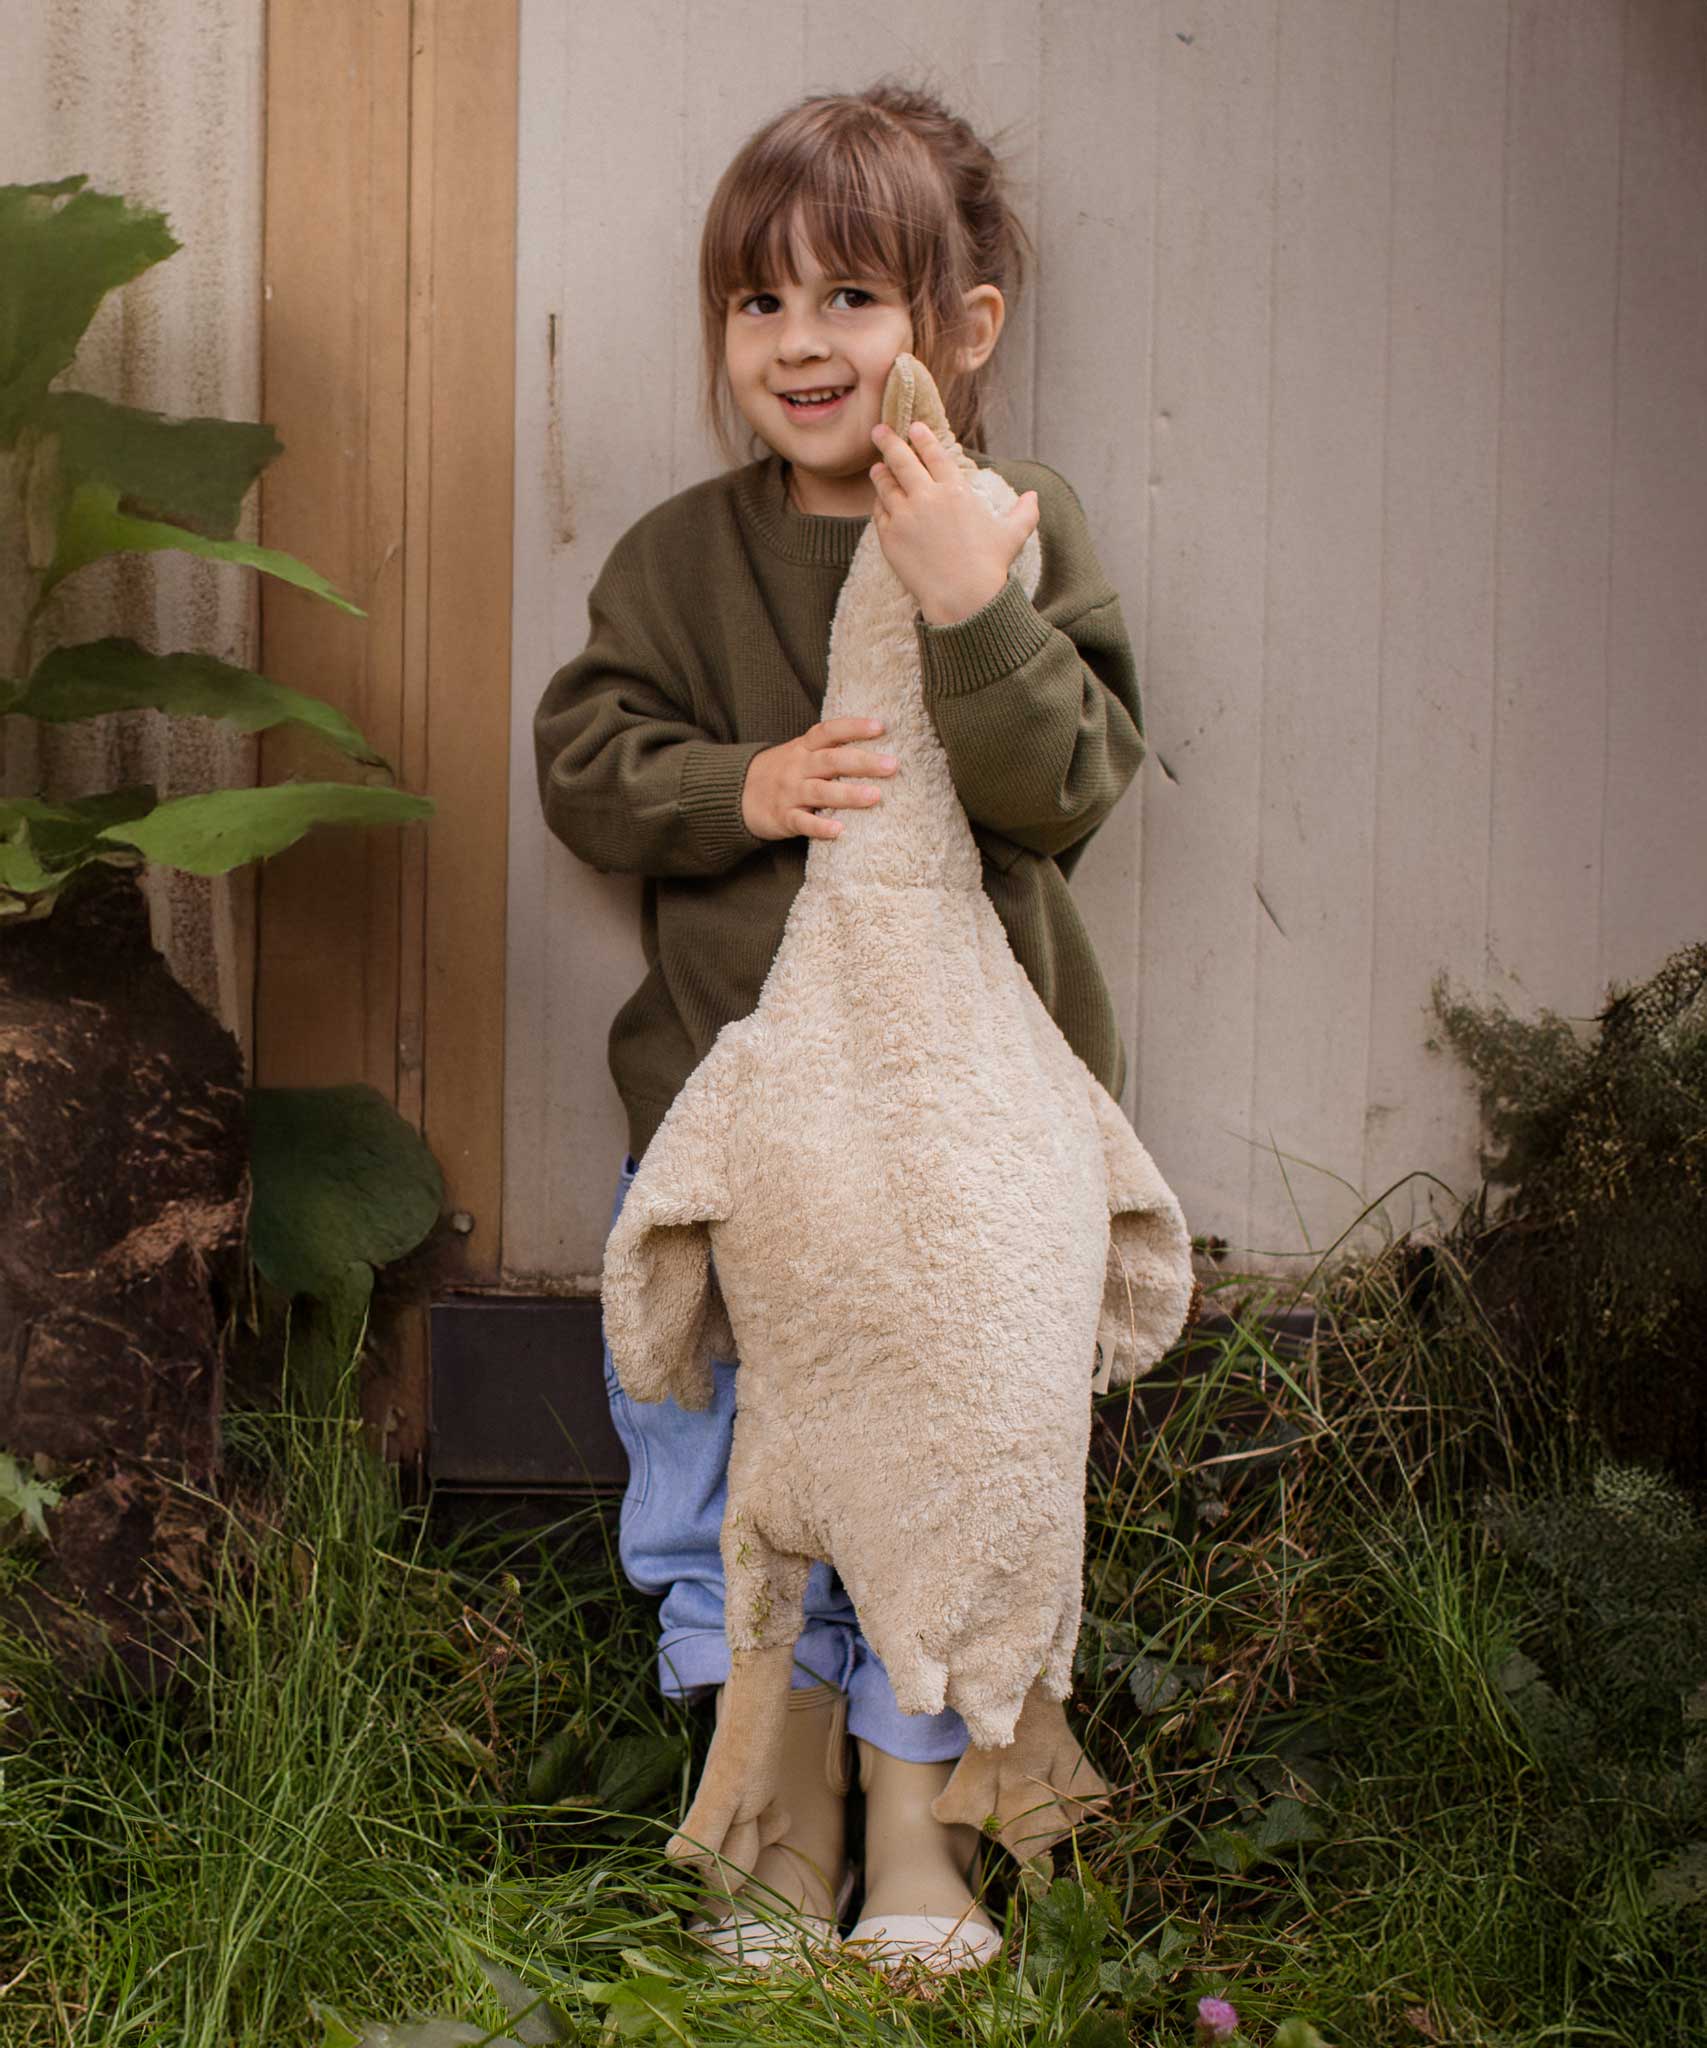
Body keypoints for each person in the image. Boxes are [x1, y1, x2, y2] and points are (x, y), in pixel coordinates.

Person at [533, 80, 1146, 1972]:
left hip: (957, 1152)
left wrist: (973, 609)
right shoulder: (678, 558)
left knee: (943, 1478)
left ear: (960, 327)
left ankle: (918, 1836)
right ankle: (768, 1824)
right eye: (759, 301)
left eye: (853, 298)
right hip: (741, 1132)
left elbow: (1074, 781)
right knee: (725, 1470)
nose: (800, 343)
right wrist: (747, 784)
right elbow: (584, 755)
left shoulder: (1016, 531)